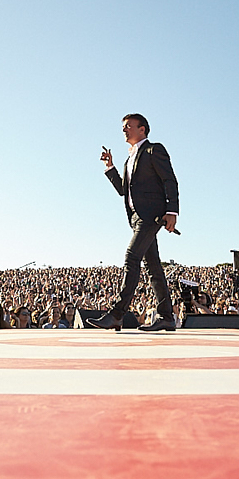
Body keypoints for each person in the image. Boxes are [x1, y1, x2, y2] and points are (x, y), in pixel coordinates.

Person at [90, 114, 179, 332]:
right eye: (123, 127)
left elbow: (169, 179)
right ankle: (167, 317)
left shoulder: (153, 150)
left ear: (142, 129)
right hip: (136, 217)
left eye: (128, 126)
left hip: (151, 215)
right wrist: (110, 167)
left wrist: (172, 211)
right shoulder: (128, 160)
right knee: (153, 267)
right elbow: (124, 190)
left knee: (132, 257)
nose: (124, 130)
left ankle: (117, 314)